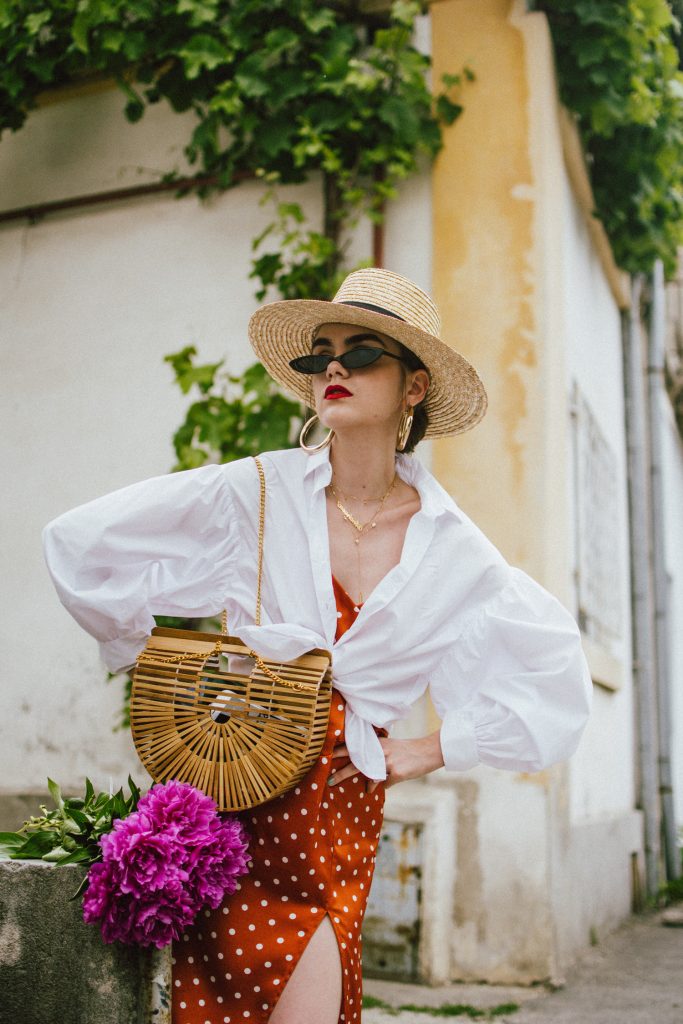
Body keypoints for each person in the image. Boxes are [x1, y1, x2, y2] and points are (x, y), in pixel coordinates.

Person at [43, 267, 592, 1024]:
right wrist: (148, 651)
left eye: (361, 352)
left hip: (336, 812)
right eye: (319, 354)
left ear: (413, 386)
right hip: (235, 798)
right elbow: (82, 543)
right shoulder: (257, 495)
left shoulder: (454, 552)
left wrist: (429, 749)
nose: (333, 367)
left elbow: (553, 679)